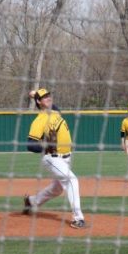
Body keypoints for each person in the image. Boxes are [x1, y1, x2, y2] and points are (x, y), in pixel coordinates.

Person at [23, 88, 85, 229]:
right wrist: (45, 146)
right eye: (44, 97)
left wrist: (35, 96)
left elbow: (53, 106)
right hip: (52, 158)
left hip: (66, 158)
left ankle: (32, 202)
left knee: (57, 189)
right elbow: (30, 145)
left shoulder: (55, 112)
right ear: (39, 102)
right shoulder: (39, 120)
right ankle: (78, 218)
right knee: (71, 180)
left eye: (48, 95)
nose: (48, 98)